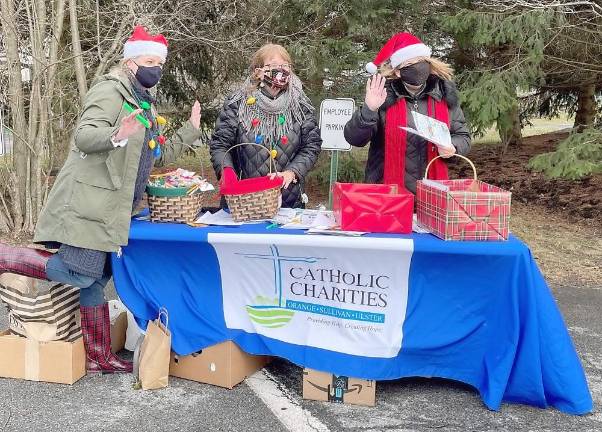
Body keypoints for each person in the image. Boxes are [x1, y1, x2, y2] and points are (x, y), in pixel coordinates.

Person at [0, 26, 202, 373]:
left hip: (115, 208)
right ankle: (6, 256)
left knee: (96, 280)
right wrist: (117, 134)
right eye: (148, 60)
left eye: (159, 62)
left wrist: (191, 129)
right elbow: (84, 136)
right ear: (130, 61)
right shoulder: (111, 91)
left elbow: (158, 153)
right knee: (80, 274)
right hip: (89, 203)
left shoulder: (144, 104)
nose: (155, 67)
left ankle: (99, 357)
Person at [344, 32, 471, 194]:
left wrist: (453, 147)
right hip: (388, 195)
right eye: (410, 63)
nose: (418, 67)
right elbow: (354, 138)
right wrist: (369, 109)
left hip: (433, 194)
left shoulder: (445, 96)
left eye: (421, 61)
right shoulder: (383, 98)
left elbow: (463, 136)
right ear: (397, 71)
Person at [209, 43, 322, 208]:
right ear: (258, 71)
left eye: (285, 66)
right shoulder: (238, 103)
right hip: (242, 201)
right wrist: (226, 172)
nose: (281, 71)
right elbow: (220, 144)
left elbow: (312, 146)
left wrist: (292, 172)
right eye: (274, 66)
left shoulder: (300, 105)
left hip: (287, 202)